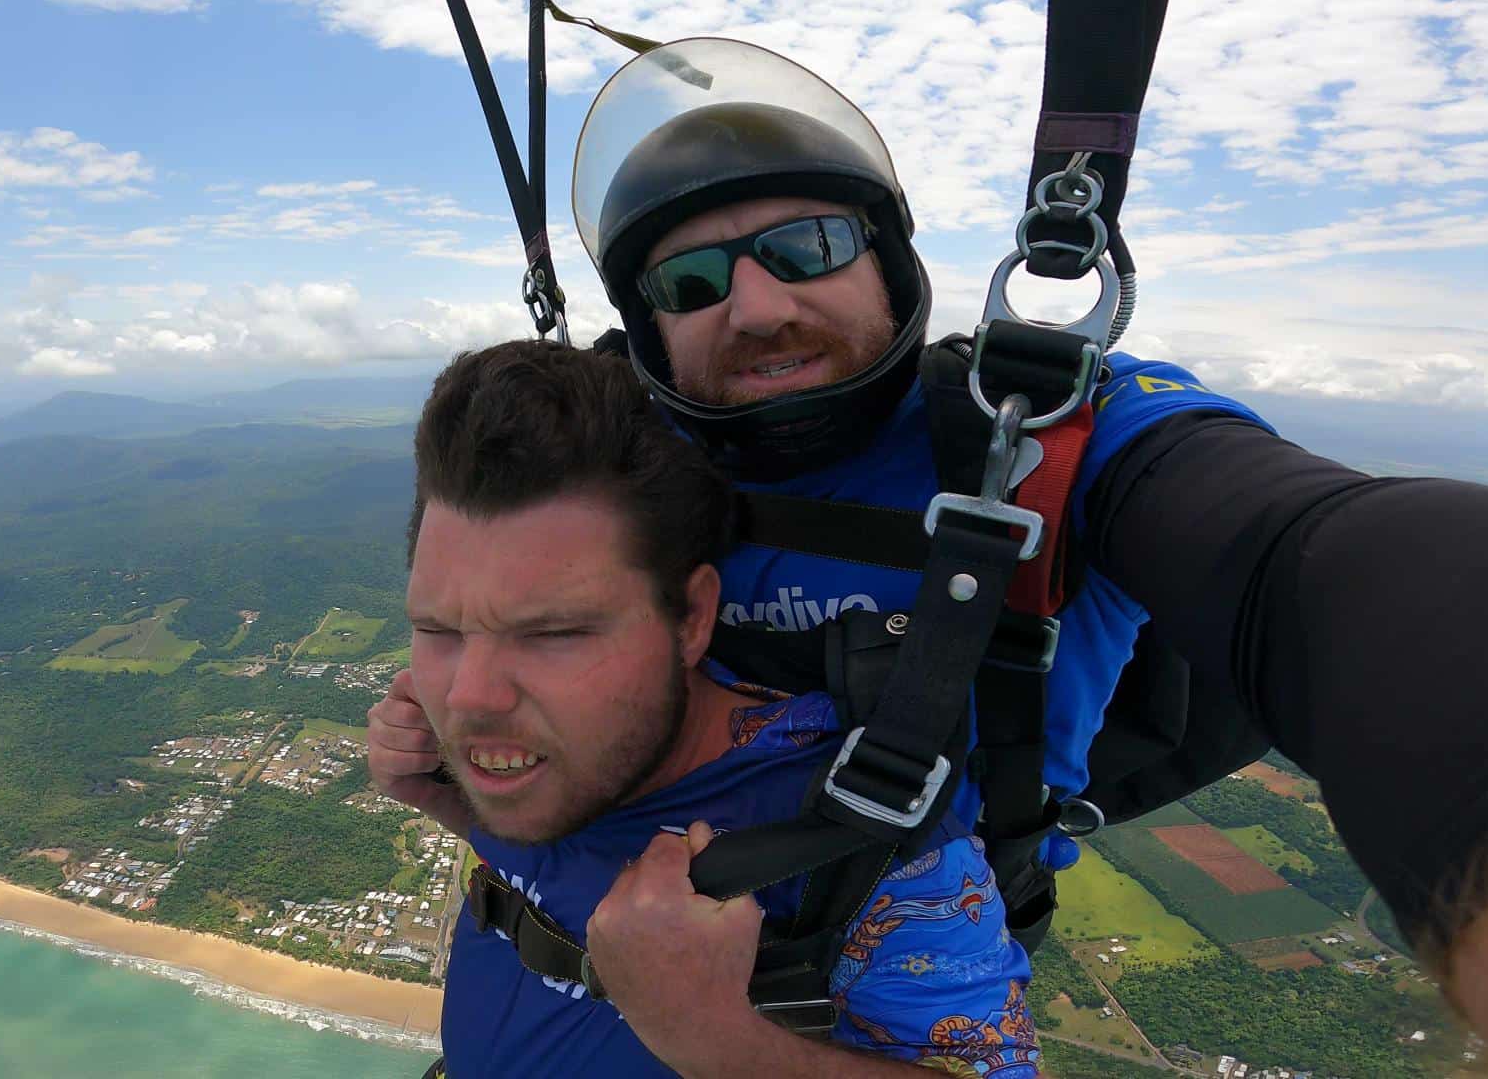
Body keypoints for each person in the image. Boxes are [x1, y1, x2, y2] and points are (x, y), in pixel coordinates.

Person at [379, 39, 1488, 1076]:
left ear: (887, 258)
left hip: (853, 995)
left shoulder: (1039, 441)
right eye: (688, 281)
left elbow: (1317, 563)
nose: (753, 306)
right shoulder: (621, 457)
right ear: (646, 325)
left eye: (808, 245)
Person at [380, 339, 1041, 1076]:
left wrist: (718, 1041)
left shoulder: (866, 852)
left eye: (554, 634)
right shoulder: (557, 754)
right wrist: (454, 803)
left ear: (693, 619)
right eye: (438, 630)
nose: (469, 698)